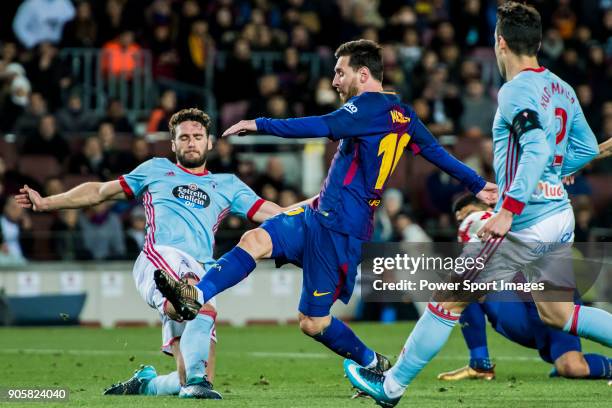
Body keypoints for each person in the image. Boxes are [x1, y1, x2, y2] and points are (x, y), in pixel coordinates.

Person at [153, 40, 496, 379]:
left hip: (341, 229)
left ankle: (374, 363)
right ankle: (194, 295)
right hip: (320, 215)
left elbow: (319, 126)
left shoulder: (366, 108)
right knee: (254, 240)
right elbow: (437, 153)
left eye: (339, 72)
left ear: (363, 74)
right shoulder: (402, 113)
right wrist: (479, 185)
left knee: (312, 322)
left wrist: (260, 123)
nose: (334, 81)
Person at [344, 4, 609, 406]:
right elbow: (587, 147)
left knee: (449, 297)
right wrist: (555, 170)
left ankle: (391, 385)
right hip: (559, 216)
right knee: (559, 315)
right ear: (537, 43)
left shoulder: (515, 89)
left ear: (499, 42)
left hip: (526, 221)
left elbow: (536, 144)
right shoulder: (561, 88)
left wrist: (508, 210)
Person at [15, 108, 288, 399]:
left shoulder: (228, 185)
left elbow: (278, 214)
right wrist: (46, 203)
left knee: (192, 371)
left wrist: (318, 213)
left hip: (204, 268)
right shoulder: (156, 169)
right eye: (184, 138)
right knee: (195, 301)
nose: (191, 142)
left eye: (197, 137)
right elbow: (100, 192)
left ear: (210, 142)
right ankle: (195, 373)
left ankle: (148, 383)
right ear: (173, 144)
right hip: (160, 255)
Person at [438, 194, 611, 381]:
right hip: (520, 317)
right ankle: (480, 365)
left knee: (572, 367)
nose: (468, 223)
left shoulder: (527, 224)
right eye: (462, 221)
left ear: (491, 208)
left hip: (552, 305)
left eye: (471, 214)